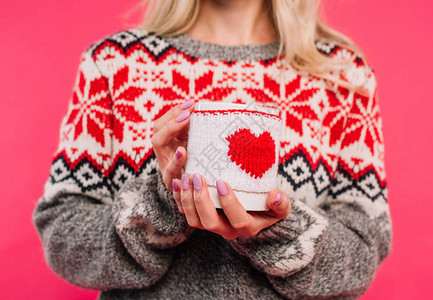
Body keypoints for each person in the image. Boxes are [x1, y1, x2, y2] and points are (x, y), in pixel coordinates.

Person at [32, 0, 392, 299]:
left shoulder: (343, 76)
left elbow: (364, 251)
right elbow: (63, 233)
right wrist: (160, 203)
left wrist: (280, 231)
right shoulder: (113, 63)